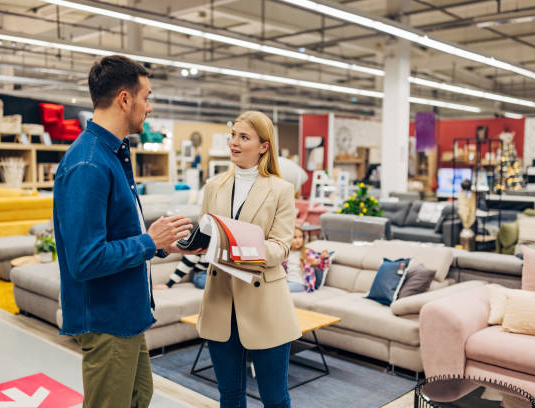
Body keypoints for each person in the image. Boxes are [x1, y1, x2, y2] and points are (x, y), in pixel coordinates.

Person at [53, 55, 197, 408]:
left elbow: (117, 235)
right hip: (107, 319)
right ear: (124, 99)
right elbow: (85, 260)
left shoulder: (112, 153)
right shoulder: (88, 163)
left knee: (138, 397)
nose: (149, 107)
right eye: (146, 97)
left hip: (125, 315)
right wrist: (149, 241)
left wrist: (162, 245)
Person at [196, 111, 301, 407]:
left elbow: (280, 247)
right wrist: (193, 243)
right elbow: (205, 231)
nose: (234, 142)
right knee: (229, 394)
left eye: (244, 137)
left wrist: (241, 248)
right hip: (220, 303)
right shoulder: (214, 186)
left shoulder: (281, 190)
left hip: (264, 304)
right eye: (233, 135)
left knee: (274, 397)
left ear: (264, 146)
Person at [282, 226, 331, 292]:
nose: (298, 240)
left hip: (301, 283)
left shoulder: (307, 252)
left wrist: (324, 258)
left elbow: (321, 266)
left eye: (300, 237)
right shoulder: (286, 253)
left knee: (281, 290)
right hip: (287, 280)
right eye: (295, 237)